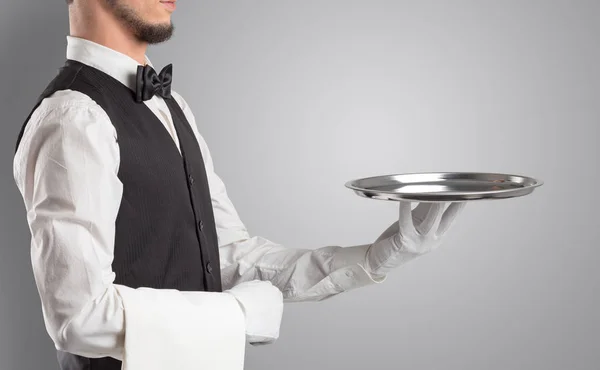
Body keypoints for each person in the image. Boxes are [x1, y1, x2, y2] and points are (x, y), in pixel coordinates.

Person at [12, 1, 465, 369]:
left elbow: (230, 257)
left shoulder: (174, 108)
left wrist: (377, 256)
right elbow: (78, 317)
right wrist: (239, 315)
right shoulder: (73, 118)